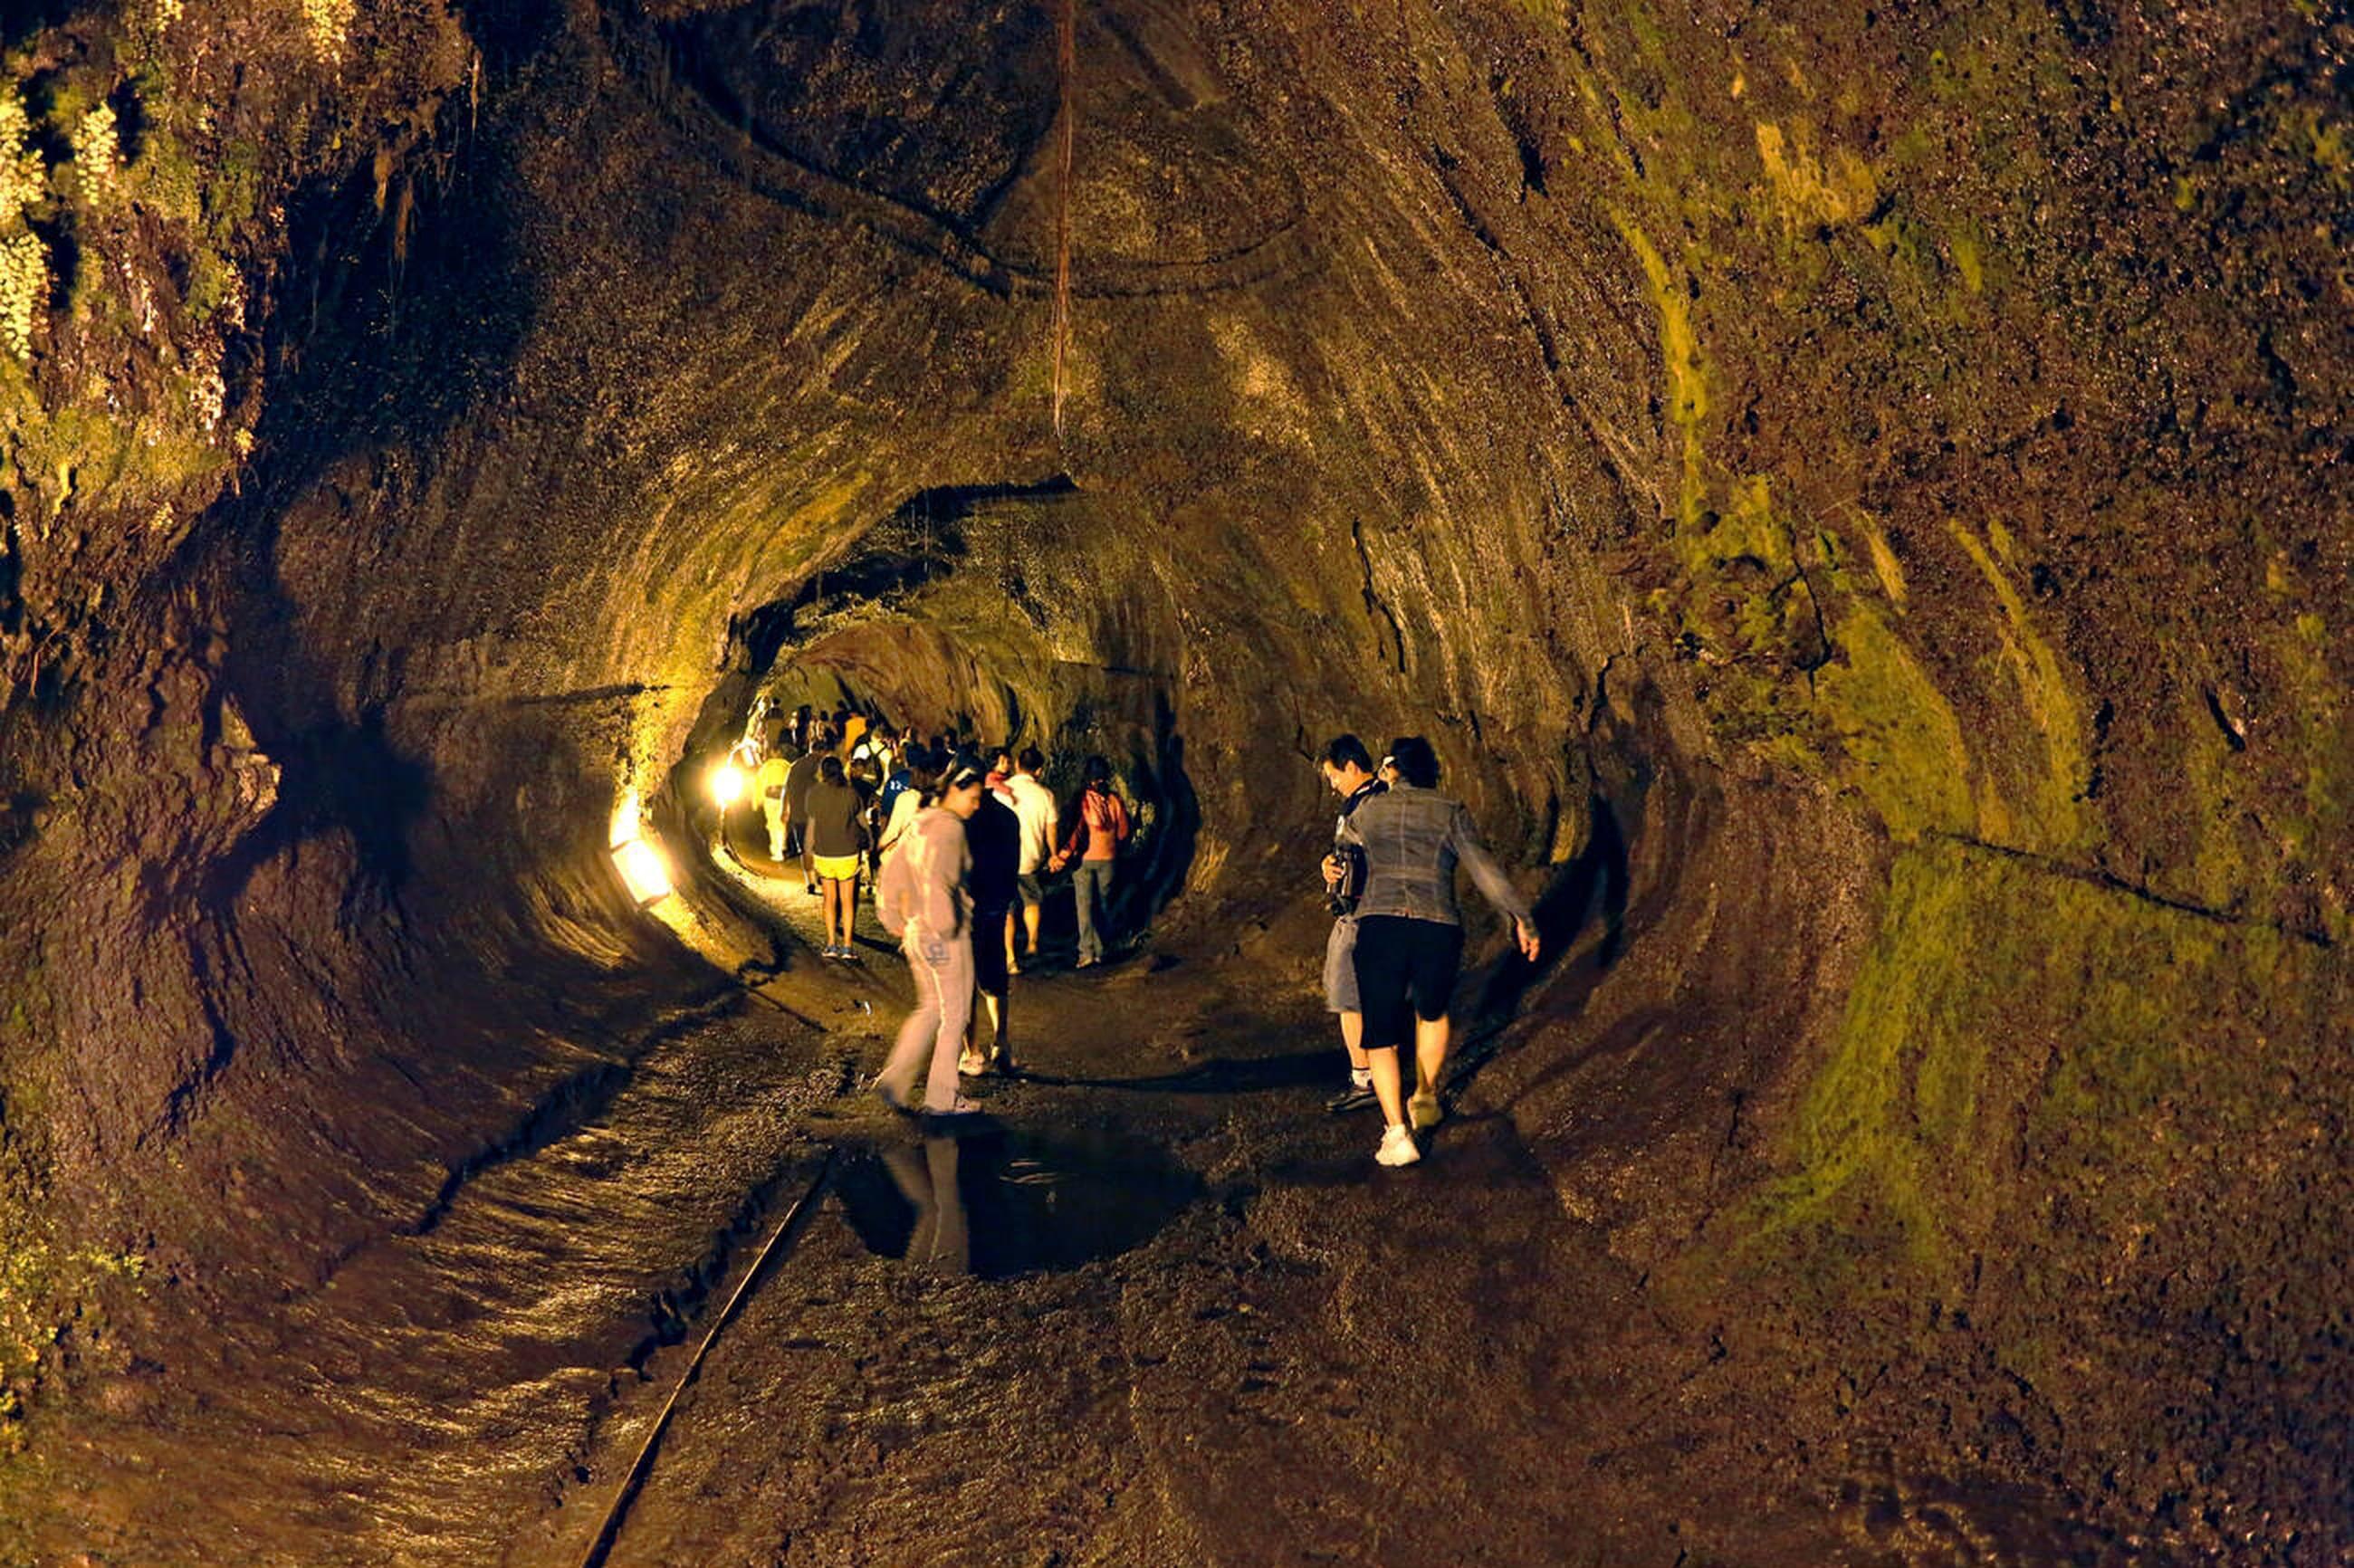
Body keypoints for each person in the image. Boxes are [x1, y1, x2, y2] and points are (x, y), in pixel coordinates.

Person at [1338, 736, 1540, 1168]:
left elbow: (1344, 845)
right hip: (1437, 926)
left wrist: (1330, 864)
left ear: (1393, 770)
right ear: (1433, 772)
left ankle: (1397, 1134)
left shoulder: (1369, 811)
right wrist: (1520, 916)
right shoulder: (1451, 812)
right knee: (1431, 1013)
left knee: (1381, 1031)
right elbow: (1484, 870)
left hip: (1380, 924)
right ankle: (1425, 1097)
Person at [873, 756, 990, 1119]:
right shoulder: (950, 829)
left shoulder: (921, 822)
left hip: (915, 933)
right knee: (954, 1014)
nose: (976, 804)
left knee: (929, 1009)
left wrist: (891, 913)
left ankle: (893, 1081)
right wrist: (946, 927)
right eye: (973, 796)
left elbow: (893, 869)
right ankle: (942, 1098)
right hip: (943, 934)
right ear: (955, 788)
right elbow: (941, 881)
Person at [1316, 735, 1387, 1114]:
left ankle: (1366, 1079)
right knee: (1349, 994)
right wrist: (1329, 867)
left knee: (1349, 996)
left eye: (1333, 776)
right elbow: (1346, 852)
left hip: (1364, 912)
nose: (1332, 784)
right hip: (1352, 910)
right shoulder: (1359, 802)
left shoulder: (1377, 803)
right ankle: (1370, 1075)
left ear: (1351, 766)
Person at [962, 776, 1022, 1076]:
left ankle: (972, 1052)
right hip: (996, 908)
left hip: (967, 909)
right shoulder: (1009, 818)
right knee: (995, 977)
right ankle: (1002, 1042)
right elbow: (1013, 865)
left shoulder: (963, 821)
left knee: (963, 985)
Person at [1050, 755, 1131, 968]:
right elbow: (1123, 832)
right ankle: (1102, 950)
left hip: (1084, 861)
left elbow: (1076, 832)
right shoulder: (1114, 800)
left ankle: (1087, 952)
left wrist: (1062, 856)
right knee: (1104, 906)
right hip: (1109, 860)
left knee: (1085, 907)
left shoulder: (1083, 800)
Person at [803, 754, 867, 958]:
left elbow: (811, 827)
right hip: (848, 853)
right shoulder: (851, 794)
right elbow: (863, 823)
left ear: (822, 772)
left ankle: (831, 945)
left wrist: (807, 851)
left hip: (824, 853)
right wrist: (870, 844)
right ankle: (847, 947)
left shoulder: (814, 793)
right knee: (847, 901)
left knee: (829, 900)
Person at [1003, 746, 1058, 974]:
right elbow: (1051, 829)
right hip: (1031, 858)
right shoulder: (1045, 795)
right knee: (1032, 901)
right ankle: (1032, 942)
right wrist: (1054, 854)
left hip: (1003, 859)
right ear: (1039, 770)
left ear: (1017, 764)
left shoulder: (1001, 792)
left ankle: (1010, 957)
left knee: (1006, 909)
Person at [784, 725, 827, 894]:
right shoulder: (823, 766)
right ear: (822, 751)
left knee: (805, 849)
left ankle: (809, 881)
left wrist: (784, 810)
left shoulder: (795, 766)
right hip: (819, 815)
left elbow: (786, 789)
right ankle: (820, 875)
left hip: (798, 814)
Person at [756, 739, 796, 863]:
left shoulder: (766, 766)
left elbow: (759, 782)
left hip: (769, 797)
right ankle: (781, 849)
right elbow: (791, 784)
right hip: (782, 797)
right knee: (781, 824)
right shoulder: (788, 766)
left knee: (773, 825)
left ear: (775, 752)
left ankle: (776, 850)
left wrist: (757, 799)